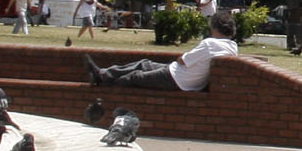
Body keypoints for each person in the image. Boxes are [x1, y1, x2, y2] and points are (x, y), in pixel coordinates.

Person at [89, 11, 239, 92]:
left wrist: (183, 57)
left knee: (136, 76)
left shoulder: (209, 43)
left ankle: (105, 85)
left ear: (214, 27)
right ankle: (103, 74)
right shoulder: (233, 47)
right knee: (144, 64)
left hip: (177, 78)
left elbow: (183, 61)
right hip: (185, 78)